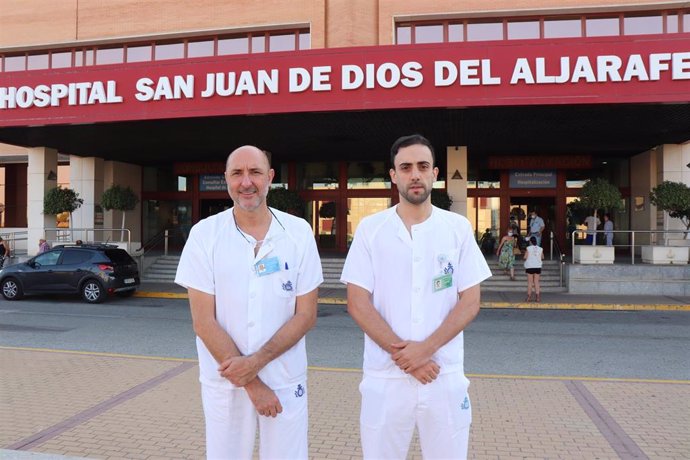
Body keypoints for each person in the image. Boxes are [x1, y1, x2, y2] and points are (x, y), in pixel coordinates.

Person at [341, 134, 492, 459]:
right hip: (385, 378)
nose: (415, 174)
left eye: (423, 166)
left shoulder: (457, 228)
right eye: (405, 167)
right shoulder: (371, 229)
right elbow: (357, 302)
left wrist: (425, 350)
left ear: (435, 173)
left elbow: (470, 301)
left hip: (443, 375)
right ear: (393, 175)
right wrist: (406, 359)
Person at [174, 145, 323, 459]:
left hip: (285, 379)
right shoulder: (205, 235)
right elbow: (203, 321)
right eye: (237, 173)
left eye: (255, 172)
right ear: (226, 179)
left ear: (270, 177)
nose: (246, 182)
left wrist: (254, 364)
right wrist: (253, 384)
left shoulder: (299, 233)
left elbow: (306, 315)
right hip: (226, 382)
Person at [523, 236, 544, 302]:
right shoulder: (540, 249)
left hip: (530, 266)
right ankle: (537, 297)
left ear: (530, 242)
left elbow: (525, 257)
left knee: (530, 283)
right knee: (536, 282)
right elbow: (542, 257)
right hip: (537, 266)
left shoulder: (528, 248)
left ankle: (528, 297)